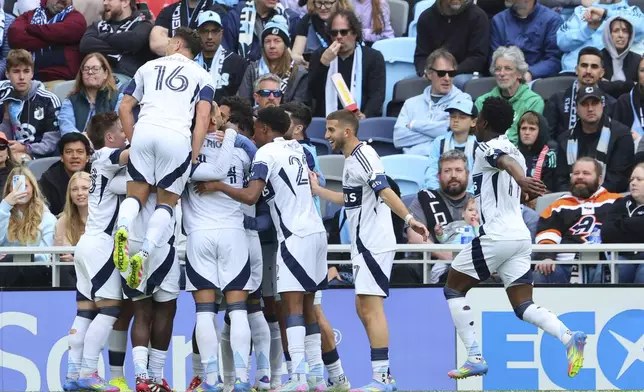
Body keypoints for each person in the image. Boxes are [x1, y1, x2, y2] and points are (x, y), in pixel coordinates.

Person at [442, 96, 587, 379]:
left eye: (478, 116)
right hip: (520, 236)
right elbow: (514, 178)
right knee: (523, 305)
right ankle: (569, 336)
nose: (475, 121)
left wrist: (521, 180)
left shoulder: (487, 147)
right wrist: (524, 186)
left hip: (497, 235)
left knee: (453, 289)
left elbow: (505, 163)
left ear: (483, 121)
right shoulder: (517, 151)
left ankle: (474, 357)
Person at [204, 107, 328, 391]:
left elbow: (250, 194)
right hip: (317, 233)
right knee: (309, 308)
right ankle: (317, 378)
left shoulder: (265, 154)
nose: (256, 132)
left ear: (265, 129)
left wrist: (218, 186)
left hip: (294, 236)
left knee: (292, 307)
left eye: (258, 127)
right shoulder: (297, 149)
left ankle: (297, 378)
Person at [310, 109, 429, 391]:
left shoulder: (365, 156)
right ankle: (383, 374)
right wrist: (318, 191)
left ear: (347, 132)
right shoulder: (351, 160)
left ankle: (383, 378)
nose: (327, 136)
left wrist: (411, 220)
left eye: (331, 130)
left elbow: (386, 192)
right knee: (362, 307)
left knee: (371, 308)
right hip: (363, 244)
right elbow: (349, 199)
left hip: (374, 243)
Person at [114, 27, 214, 289]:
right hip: (176, 136)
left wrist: (134, 140)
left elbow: (125, 107)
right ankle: (144, 254)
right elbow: (202, 117)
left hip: (145, 130)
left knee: (135, 196)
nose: (167, 45)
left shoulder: (148, 66)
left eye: (170, 42)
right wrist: (193, 153)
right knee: (166, 203)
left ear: (178, 44)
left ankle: (122, 228)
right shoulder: (204, 76)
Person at [183, 103, 257, 392]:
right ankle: (240, 379)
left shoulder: (184, 152)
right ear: (217, 118)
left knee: (204, 312)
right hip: (233, 234)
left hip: (199, 236)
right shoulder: (240, 150)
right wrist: (231, 135)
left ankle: (210, 380)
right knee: (238, 310)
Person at [66, 111, 128, 392]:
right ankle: (89, 371)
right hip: (101, 245)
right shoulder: (104, 155)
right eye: (122, 131)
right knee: (111, 309)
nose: (126, 135)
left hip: (87, 244)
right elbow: (130, 156)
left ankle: (72, 374)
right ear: (109, 137)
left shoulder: (103, 167)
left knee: (85, 313)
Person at [535, 157, 622, 284]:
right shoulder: (559, 205)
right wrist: (546, 257)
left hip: (605, 262)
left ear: (600, 179)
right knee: (540, 273)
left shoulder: (616, 201)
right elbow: (548, 232)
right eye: (576, 173)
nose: (580, 177)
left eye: (586, 173)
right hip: (565, 264)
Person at [408, 150, 473, 283]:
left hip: (474, 263)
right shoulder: (425, 199)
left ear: (467, 174)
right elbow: (414, 237)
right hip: (433, 263)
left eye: (458, 170)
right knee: (404, 270)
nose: (453, 175)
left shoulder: (478, 201)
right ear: (438, 175)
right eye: (447, 171)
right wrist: (445, 255)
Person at [554, 86, 634, 193]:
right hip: (572, 199)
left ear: (602, 105)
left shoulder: (622, 135)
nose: (590, 109)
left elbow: (618, 179)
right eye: (584, 104)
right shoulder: (564, 139)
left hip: (610, 200)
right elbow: (561, 180)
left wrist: (591, 197)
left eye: (595, 103)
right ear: (576, 108)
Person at [393, 48, 472, 156]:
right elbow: (398, 139)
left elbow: (456, 133)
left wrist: (415, 125)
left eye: (451, 73)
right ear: (429, 74)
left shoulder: (463, 100)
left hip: (446, 167)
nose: (447, 78)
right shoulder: (410, 103)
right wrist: (440, 131)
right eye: (441, 73)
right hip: (411, 164)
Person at [308, 9, 385, 118]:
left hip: (361, 120)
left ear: (354, 33)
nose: (338, 37)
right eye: (334, 33)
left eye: (344, 32)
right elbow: (312, 93)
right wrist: (323, 64)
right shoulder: (320, 55)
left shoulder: (373, 57)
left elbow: (377, 95)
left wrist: (366, 115)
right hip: (325, 120)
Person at [474, 46, 544, 145]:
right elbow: (478, 136)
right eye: (498, 69)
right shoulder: (482, 101)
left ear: (519, 73)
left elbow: (529, 138)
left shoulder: (533, 101)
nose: (502, 73)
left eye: (508, 68)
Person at [543, 47, 618, 139]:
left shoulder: (611, 104)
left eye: (594, 66)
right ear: (576, 69)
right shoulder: (557, 100)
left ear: (602, 73)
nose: (588, 71)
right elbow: (547, 138)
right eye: (584, 65)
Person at [413, 0, 489, 89]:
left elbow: (478, 57)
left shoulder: (478, 16)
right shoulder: (426, 17)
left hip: (465, 73)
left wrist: (449, 72)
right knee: (408, 85)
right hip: (435, 72)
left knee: (458, 81)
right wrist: (425, 72)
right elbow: (421, 55)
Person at [0, 49, 62, 159]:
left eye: (26, 71)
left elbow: (51, 144)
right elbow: (4, 135)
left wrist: (25, 148)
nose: (22, 77)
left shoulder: (49, 100)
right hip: (9, 152)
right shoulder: (5, 97)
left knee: (20, 159)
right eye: (16, 71)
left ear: (32, 73)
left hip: (39, 156)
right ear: (7, 74)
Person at [0, 166, 56, 288]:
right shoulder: (3, 212)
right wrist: (5, 205)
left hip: (35, 272)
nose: (21, 191)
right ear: (9, 190)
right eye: (16, 187)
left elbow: (45, 256)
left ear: (33, 189)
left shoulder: (47, 217)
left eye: (25, 186)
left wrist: (18, 257)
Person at [7, 0, 86, 83]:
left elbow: (66, 32)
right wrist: (54, 39)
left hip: (60, 78)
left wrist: (31, 29)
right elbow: (15, 38)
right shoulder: (28, 15)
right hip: (27, 78)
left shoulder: (76, 18)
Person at [555, 0, 644, 74]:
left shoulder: (631, 11)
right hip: (573, 72)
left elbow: (641, 28)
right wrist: (588, 29)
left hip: (608, 76)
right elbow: (562, 43)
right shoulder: (581, 11)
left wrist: (605, 14)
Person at [237, 16, 309, 105]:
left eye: (277, 41)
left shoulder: (299, 73)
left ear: (285, 45)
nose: (272, 46)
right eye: (267, 41)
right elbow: (242, 102)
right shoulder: (253, 69)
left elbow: (299, 107)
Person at [79, 0, 154, 82]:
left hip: (127, 81)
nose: (105, 3)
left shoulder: (142, 24)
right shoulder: (98, 25)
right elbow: (85, 45)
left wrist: (102, 36)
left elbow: (133, 42)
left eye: (109, 0)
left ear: (125, 2)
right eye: (104, 0)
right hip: (95, 78)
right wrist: (123, 47)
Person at [490, 0, 563, 80]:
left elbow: (554, 60)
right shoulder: (499, 20)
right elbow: (494, 58)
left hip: (539, 80)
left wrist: (531, 73)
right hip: (504, 76)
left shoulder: (552, 20)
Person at [58, 53, 123, 135]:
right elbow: (66, 128)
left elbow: (118, 128)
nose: (90, 72)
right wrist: (82, 140)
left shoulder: (117, 98)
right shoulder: (71, 101)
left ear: (105, 74)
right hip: (78, 145)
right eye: (86, 69)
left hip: (109, 145)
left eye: (95, 69)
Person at [601, 162, 644, 283]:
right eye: (632, 179)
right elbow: (607, 233)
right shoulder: (620, 202)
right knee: (615, 271)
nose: (633, 183)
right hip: (622, 256)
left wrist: (622, 224)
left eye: (639, 179)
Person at [423, 98, 478, 193]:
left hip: (470, 197)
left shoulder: (478, 146)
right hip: (440, 193)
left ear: (473, 122)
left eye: (462, 117)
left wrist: (468, 195)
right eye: (453, 117)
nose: (456, 120)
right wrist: (438, 191)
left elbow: (479, 177)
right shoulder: (439, 142)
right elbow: (432, 170)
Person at [195, 11, 248, 103]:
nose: (210, 37)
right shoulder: (189, 61)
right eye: (204, 31)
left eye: (215, 31)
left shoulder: (237, 63)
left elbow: (241, 100)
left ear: (222, 33)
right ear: (197, 33)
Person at [222, 0, 299, 62]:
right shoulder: (234, 18)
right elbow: (228, 57)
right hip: (245, 75)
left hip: (280, 76)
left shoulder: (290, 19)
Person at [149, 0, 227, 56]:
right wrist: (192, 47)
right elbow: (156, 44)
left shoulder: (217, 11)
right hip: (172, 69)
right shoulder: (168, 11)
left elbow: (211, 45)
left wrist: (173, 47)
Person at [39, 132, 91, 215]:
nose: (74, 156)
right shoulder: (49, 179)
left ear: (87, 157)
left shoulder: (96, 174)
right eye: (69, 152)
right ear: (62, 157)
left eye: (80, 152)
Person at [54, 171, 90, 287]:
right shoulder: (63, 221)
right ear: (69, 194)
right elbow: (64, 254)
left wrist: (76, 258)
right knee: (65, 269)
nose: (80, 193)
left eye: (85, 188)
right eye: (74, 189)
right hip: (73, 272)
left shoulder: (104, 219)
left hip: (97, 268)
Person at [291, 0, 351, 67]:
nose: (322, 7)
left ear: (338, 2)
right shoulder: (307, 20)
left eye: (328, 3)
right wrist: (301, 60)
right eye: (319, 3)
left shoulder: (347, 20)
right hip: (312, 69)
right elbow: (295, 54)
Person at [601, 16, 642, 98]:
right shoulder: (598, 58)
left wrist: (610, 85)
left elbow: (640, 88)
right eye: (616, 31)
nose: (621, 35)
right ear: (608, 34)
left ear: (630, 36)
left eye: (625, 31)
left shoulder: (637, 60)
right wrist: (630, 84)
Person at [517, 111, 558, 192]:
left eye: (532, 129)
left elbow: (551, 187)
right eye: (523, 128)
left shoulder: (551, 153)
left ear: (541, 131)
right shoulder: (514, 153)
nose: (527, 133)